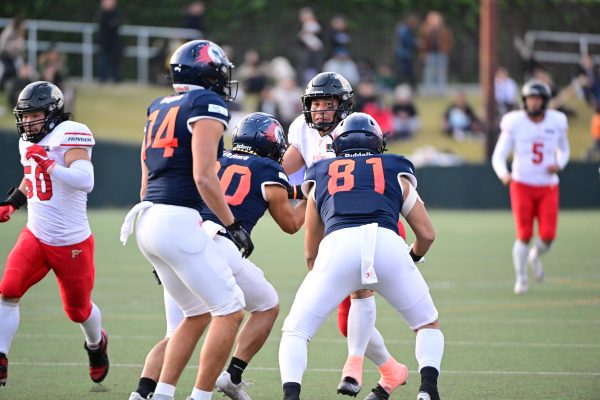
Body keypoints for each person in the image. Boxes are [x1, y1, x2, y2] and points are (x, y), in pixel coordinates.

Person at [125, 112, 306, 400]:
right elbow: (291, 224)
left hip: (180, 239)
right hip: (219, 244)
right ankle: (224, 380)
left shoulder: (216, 156)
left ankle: (144, 392)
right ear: (272, 144)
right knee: (264, 305)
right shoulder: (270, 170)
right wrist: (314, 195)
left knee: (180, 328)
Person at [279, 112, 444, 400]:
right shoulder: (395, 168)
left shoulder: (320, 172)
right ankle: (427, 390)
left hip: (337, 246)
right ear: (378, 143)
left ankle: (291, 396)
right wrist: (413, 257)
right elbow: (427, 234)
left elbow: (310, 249)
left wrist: (325, 276)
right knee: (426, 324)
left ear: (337, 145)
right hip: (387, 243)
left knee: (296, 331)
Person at [123, 39, 253, 400]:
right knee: (230, 311)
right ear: (208, 74)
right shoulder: (206, 103)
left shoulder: (158, 106)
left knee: (194, 314)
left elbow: (145, 172)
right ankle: (200, 397)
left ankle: (160, 395)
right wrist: (232, 224)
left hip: (148, 217)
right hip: (177, 219)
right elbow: (204, 176)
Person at [281, 72, 409, 400]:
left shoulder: (356, 130)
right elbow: (283, 173)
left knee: (360, 294)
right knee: (344, 321)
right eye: (316, 104)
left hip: (368, 223)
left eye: (328, 104)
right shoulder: (302, 130)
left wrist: (302, 192)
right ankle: (391, 369)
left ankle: (354, 368)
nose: (320, 111)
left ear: (342, 105)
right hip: (333, 229)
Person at [0, 81, 109, 387]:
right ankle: (1, 357)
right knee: (8, 290)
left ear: (52, 114)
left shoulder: (69, 133)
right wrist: (13, 203)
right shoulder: (27, 142)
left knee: (78, 311)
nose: (28, 122)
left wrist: (50, 165)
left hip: (71, 241)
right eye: (25, 115)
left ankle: (96, 344)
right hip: (36, 234)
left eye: (35, 115)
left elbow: (85, 181)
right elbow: (31, 175)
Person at [492, 79, 570, 295]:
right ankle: (521, 277)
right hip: (522, 184)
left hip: (548, 185)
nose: (533, 103)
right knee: (524, 234)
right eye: (530, 99)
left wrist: (559, 164)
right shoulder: (515, 122)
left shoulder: (556, 121)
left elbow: (565, 150)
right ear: (524, 101)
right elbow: (498, 155)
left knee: (548, 236)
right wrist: (503, 174)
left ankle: (535, 255)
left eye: (537, 99)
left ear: (545, 101)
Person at [419, 11, 453, 95]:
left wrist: (446, 50)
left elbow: (449, 41)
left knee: (441, 72)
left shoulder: (444, 30)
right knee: (429, 73)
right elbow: (423, 42)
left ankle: (441, 90)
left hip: (441, 54)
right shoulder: (426, 29)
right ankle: (429, 90)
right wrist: (423, 53)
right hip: (430, 54)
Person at [96, 0, 122, 83]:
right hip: (104, 41)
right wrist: (111, 23)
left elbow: (116, 23)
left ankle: (116, 78)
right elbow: (107, 24)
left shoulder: (115, 13)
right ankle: (103, 78)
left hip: (114, 42)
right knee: (104, 60)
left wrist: (112, 23)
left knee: (115, 60)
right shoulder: (101, 13)